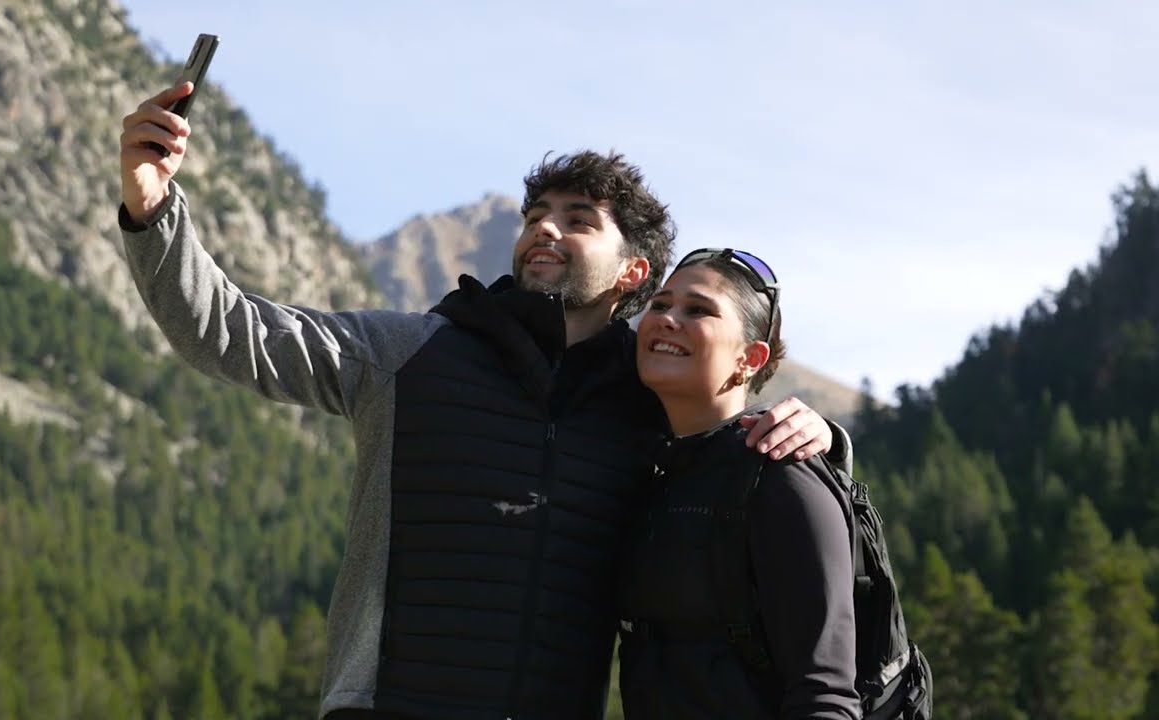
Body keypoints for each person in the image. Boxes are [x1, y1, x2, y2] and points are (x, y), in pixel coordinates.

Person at [117, 82, 852, 720]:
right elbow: (230, 332)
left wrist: (822, 436)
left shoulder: (647, 401)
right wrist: (153, 212)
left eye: (578, 218)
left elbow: (733, 456)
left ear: (634, 270)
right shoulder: (407, 350)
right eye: (537, 213)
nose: (544, 227)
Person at [617, 248, 862, 719]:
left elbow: (825, 693)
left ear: (750, 357)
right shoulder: (652, 472)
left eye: (698, 310)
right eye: (661, 304)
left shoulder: (781, 471)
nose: (667, 319)